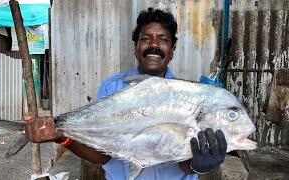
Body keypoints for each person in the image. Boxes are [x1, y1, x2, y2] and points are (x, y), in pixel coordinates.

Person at [24, 8, 227, 180]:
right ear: (136, 48)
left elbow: (185, 165)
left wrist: (201, 164)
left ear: (172, 50)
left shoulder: (189, 97)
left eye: (162, 39)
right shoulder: (113, 87)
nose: (154, 45)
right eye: (146, 39)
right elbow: (102, 157)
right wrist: (63, 136)